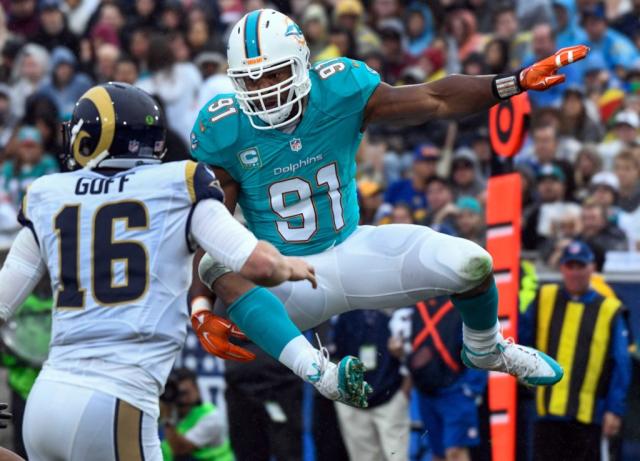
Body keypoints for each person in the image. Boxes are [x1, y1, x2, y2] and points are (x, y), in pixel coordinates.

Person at [190, 9, 590, 404]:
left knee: (473, 264)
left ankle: (486, 348)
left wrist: (513, 82)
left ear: (301, 64)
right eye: (251, 78)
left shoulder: (338, 91)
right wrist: (200, 306)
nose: (264, 89)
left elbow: (434, 99)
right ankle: (321, 373)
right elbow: (211, 224)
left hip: (352, 250)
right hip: (284, 278)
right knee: (219, 265)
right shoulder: (226, 127)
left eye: (275, 73)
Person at [0, 82, 321, 460]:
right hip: (117, 396)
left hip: (46, 399)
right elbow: (259, 264)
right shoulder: (179, 183)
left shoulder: (48, 193)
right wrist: (290, 265)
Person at [519, 241, 631, 461]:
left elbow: (621, 364)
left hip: (588, 416)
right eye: (570, 266)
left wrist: (614, 409)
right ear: (562, 268)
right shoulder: (544, 297)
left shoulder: (610, 309)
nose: (575, 272)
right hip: (546, 413)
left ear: (592, 268)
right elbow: (522, 338)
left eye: (581, 266)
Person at [160, 368, 233, 461]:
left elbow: (180, 449)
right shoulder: (172, 413)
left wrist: (168, 417)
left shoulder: (211, 417)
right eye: (176, 393)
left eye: (184, 393)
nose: (181, 399)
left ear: (197, 390)